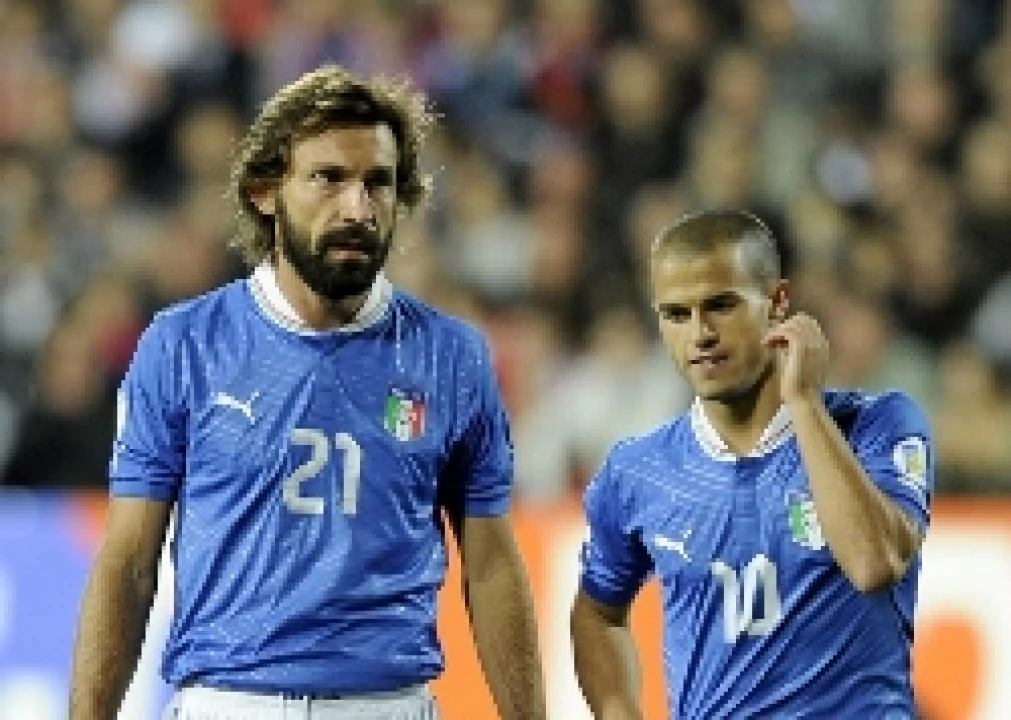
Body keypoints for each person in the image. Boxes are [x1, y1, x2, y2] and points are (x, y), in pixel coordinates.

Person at [70, 65, 547, 720]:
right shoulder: (183, 346)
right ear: (265, 192)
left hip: (387, 706)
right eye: (328, 178)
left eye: (378, 182)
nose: (358, 208)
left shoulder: (452, 357)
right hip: (227, 704)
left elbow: (490, 564)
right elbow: (128, 562)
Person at [571, 208, 933, 718]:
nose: (700, 333)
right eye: (675, 314)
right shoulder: (638, 470)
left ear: (778, 302)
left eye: (720, 305)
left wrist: (804, 403)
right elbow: (597, 612)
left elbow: (875, 563)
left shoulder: (877, 425)